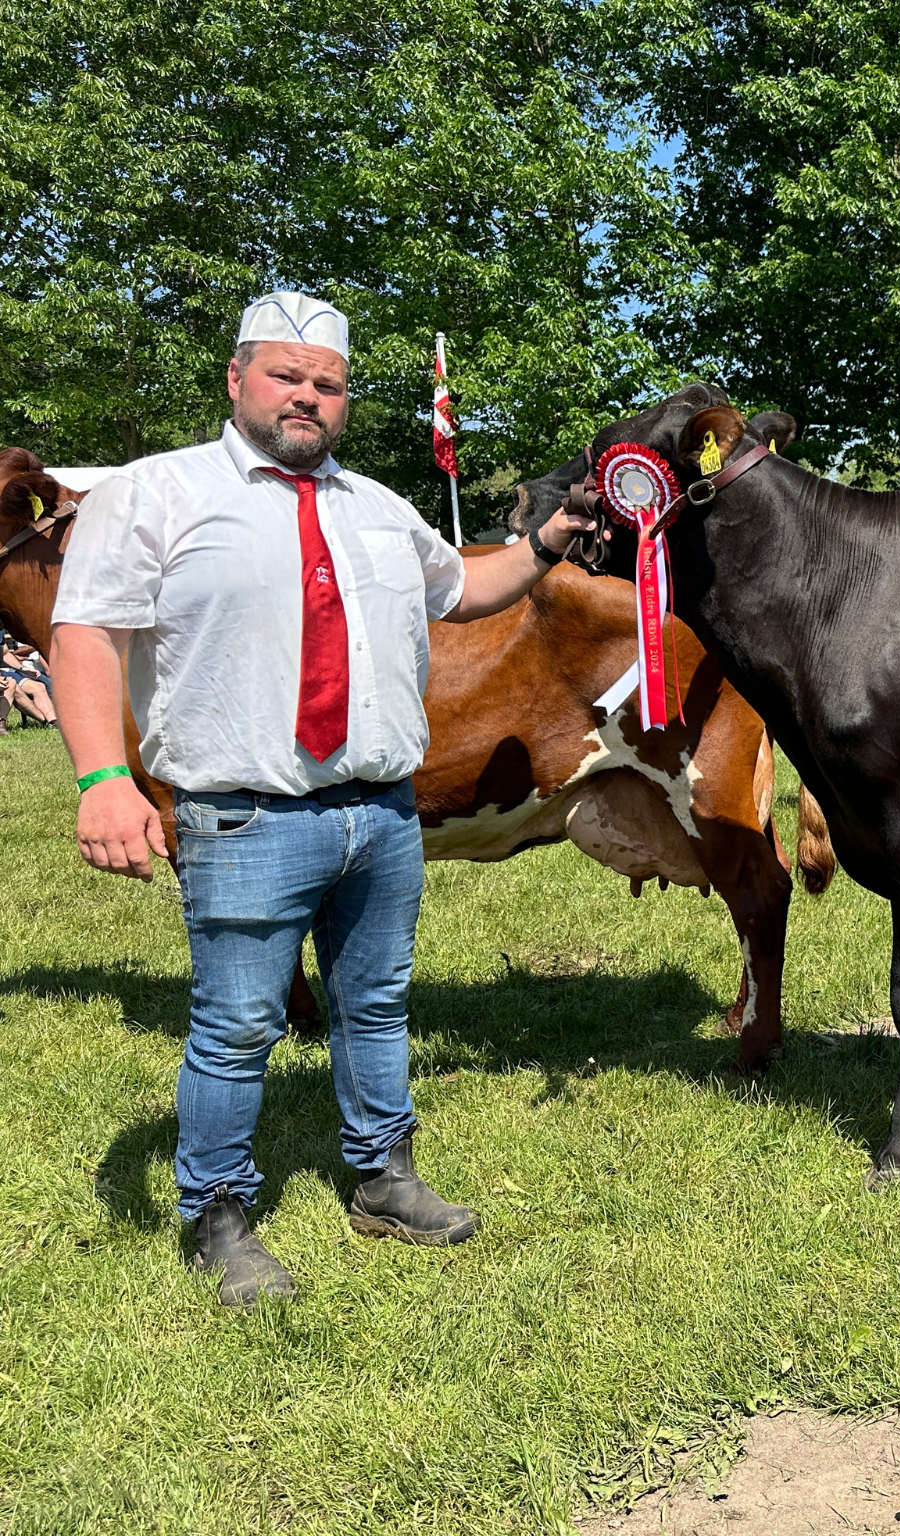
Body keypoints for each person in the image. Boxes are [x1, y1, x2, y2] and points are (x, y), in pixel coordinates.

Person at [49, 291, 599, 1308]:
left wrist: (552, 539)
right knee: (239, 1023)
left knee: (375, 1005)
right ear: (236, 380)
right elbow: (84, 634)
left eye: (328, 384)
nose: (308, 396)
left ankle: (383, 1179)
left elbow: (466, 591)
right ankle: (216, 1212)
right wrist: (101, 779)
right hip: (243, 813)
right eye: (286, 376)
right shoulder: (152, 493)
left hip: (381, 810)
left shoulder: (378, 509)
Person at [2, 635, 57, 727]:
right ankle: (44, 720)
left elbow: (5, 654)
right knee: (13, 686)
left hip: (4, 672)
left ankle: (53, 721)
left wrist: (22, 668)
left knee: (39, 686)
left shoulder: (0, 632)